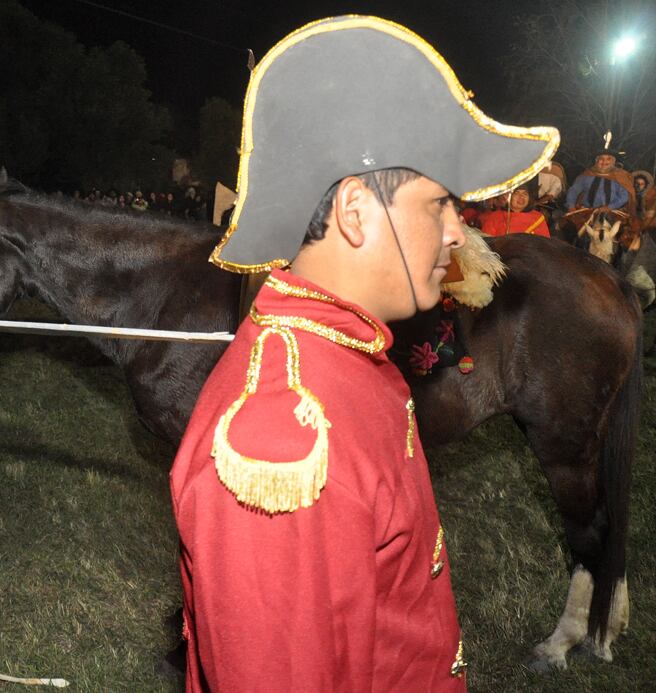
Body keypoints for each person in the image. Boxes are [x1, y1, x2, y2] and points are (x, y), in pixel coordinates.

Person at [170, 16, 559, 691]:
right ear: (355, 211)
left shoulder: (349, 350)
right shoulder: (280, 439)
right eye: (438, 204)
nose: (456, 233)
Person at [565, 144, 634, 212]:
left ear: (613, 161)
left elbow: (624, 196)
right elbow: (573, 191)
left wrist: (610, 207)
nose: (604, 162)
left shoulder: (620, 176)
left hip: (612, 213)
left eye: (608, 159)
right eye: (601, 159)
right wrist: (571, 206)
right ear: (596, 161)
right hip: (587, 211)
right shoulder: (586, 175)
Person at [480, 181, 550, 237]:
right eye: (516, 193)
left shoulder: (537, 217)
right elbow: (486, 244)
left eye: (525, 194)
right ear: (508, 197)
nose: (521, 197)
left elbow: (545, 244)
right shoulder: (495, 217)